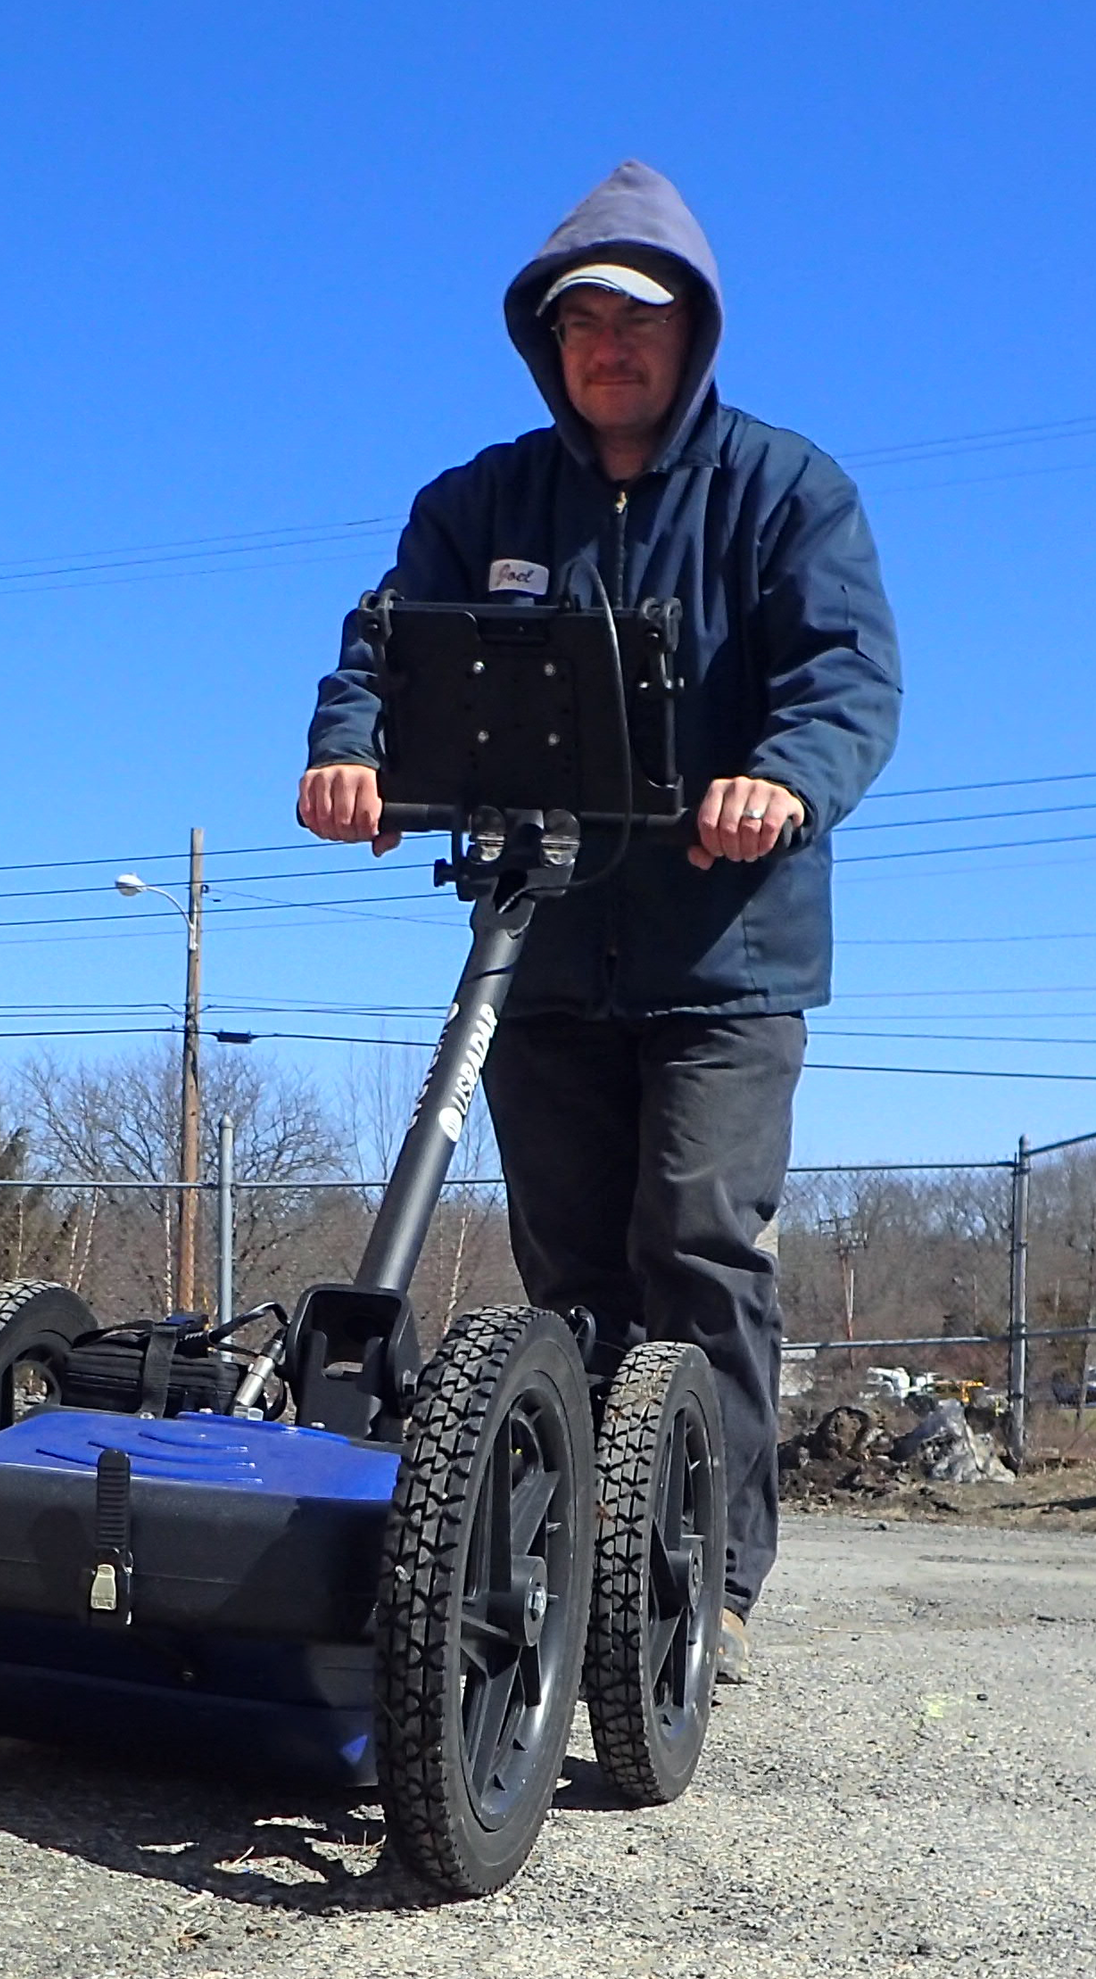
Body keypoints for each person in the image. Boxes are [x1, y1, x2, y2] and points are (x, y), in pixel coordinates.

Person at [298, 160, 901, 1680]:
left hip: (724, 953)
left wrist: (780, 780)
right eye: (580, 324)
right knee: (569, 1274)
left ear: (690, 332)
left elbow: (846, 684)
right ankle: (569, 1558)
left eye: (635, 321)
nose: (606, 348)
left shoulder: (786, 492)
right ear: (546, 345)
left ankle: (710, 1579)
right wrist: (350, 748)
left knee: (695, 1244)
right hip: (543, 946)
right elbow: (385, 648)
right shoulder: (479, 504)